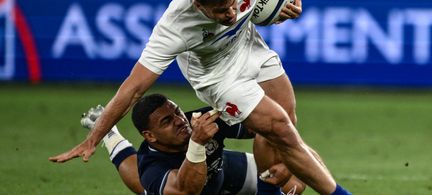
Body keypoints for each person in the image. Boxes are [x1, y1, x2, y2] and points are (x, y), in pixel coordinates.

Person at [49, 0, 351, 194]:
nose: (230, 14)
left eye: (231, 4)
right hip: (217, 77)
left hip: (249, 47)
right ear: (198, 5)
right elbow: (132, 89)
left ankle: (267, 188)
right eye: (220, 11)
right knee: (280, 127)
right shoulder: (174, 27)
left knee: (285, 127)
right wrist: (95, 136)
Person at [80, 94, 304, 194]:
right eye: (167, 121)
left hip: (221, 171)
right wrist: (197, 143)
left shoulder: (200, 119)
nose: (180, 121)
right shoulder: (151, 166)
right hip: (181, 185)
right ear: (150, 136)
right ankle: (110, 134)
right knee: (142, 186)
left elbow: (265, 128)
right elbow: (186, 190)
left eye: (177, 111)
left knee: (295, 179)